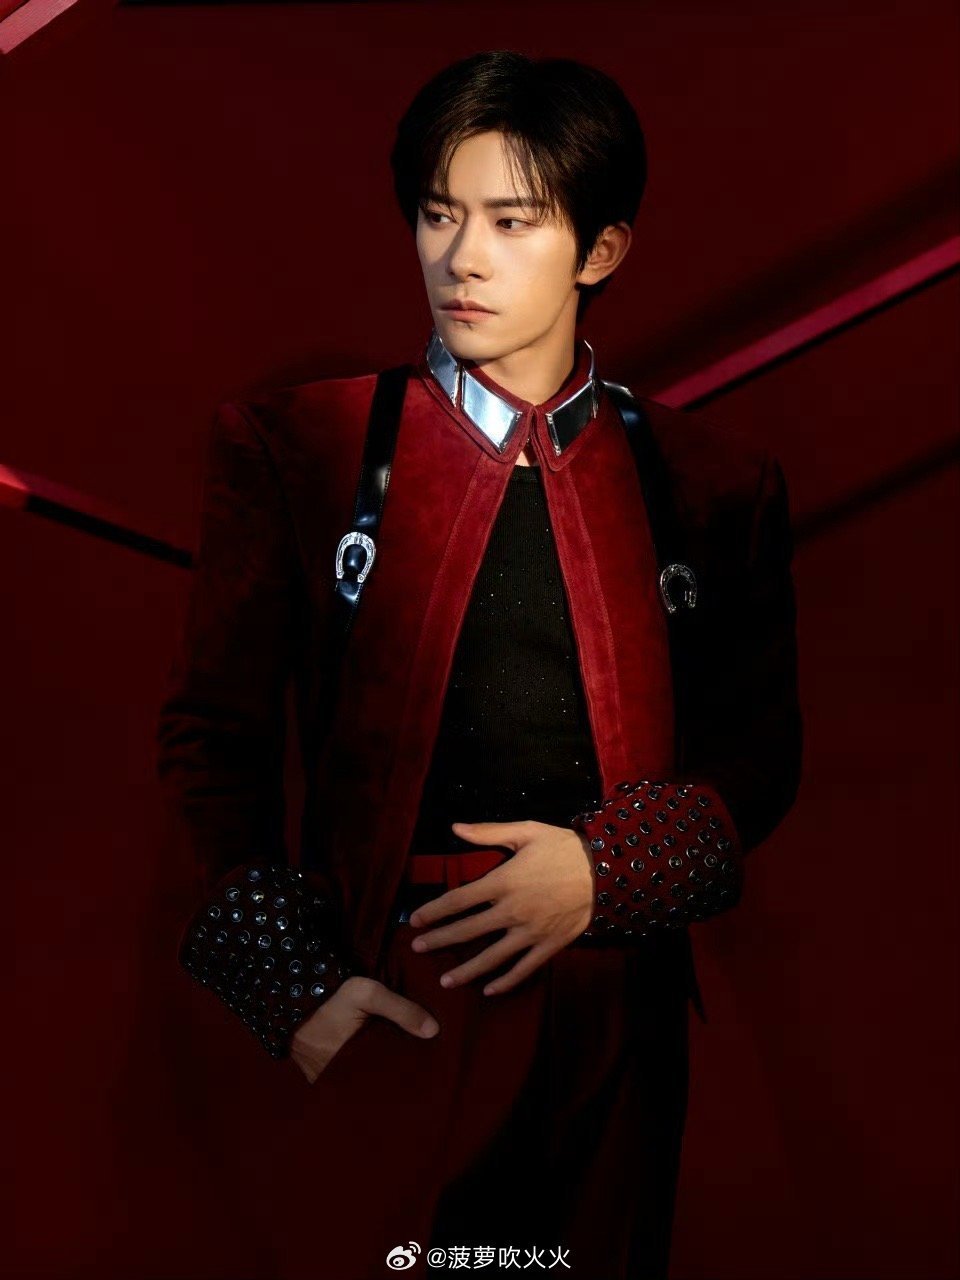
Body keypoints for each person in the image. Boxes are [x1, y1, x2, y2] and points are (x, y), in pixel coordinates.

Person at [156, 50, 802, 1280]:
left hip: (615, 998)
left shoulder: (714, 483)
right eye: (439, 214)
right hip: (394, 984)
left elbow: (761, 749)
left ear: (601, 248)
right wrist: (293, 983)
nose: (462, 257)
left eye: (512, 221)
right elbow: (212, 735)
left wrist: (609, 871)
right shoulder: (301, 443)